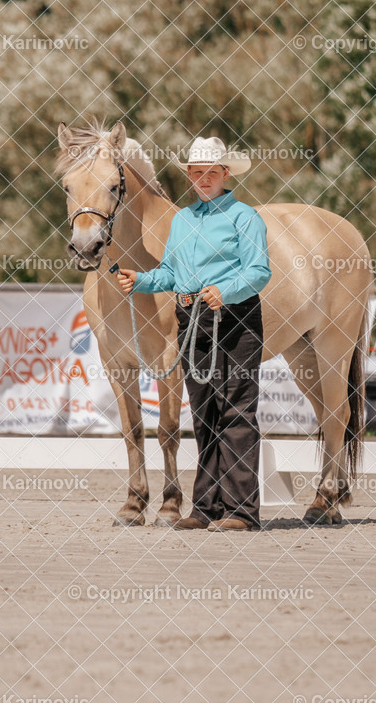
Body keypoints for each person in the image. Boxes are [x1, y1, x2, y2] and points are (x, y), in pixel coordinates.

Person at [117, 136, 271, 531]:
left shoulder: (245, 217)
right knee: (204, 413)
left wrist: (226, 290)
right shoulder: (182, 220)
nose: (204, 179)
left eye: (211, 173)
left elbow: (258, 271)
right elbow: (171, 273)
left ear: (225, 174)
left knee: (237, 410)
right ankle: (206, 507)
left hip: (234, 317)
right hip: (192, 319)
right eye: (197, 172)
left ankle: (242, 511)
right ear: (189, 175)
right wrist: (143, 280)